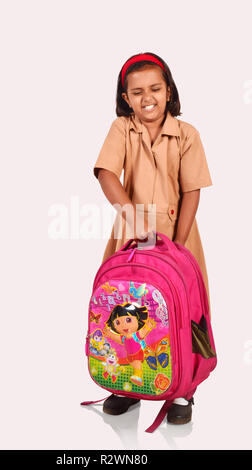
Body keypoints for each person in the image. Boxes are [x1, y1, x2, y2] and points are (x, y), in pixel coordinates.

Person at [93, 52, 213, 424]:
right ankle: (123, 382)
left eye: (156, 89)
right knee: (123, 306)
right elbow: (107, 174)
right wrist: (132, 216)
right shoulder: (121, 129)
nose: (148, 97)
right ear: (125, 97)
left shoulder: (188, 134)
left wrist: (176, 245)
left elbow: (192, 190)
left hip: (180, 233)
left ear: (169, 90)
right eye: (138, 91)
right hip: (131, 233)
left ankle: (183, 388)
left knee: (186, 308)